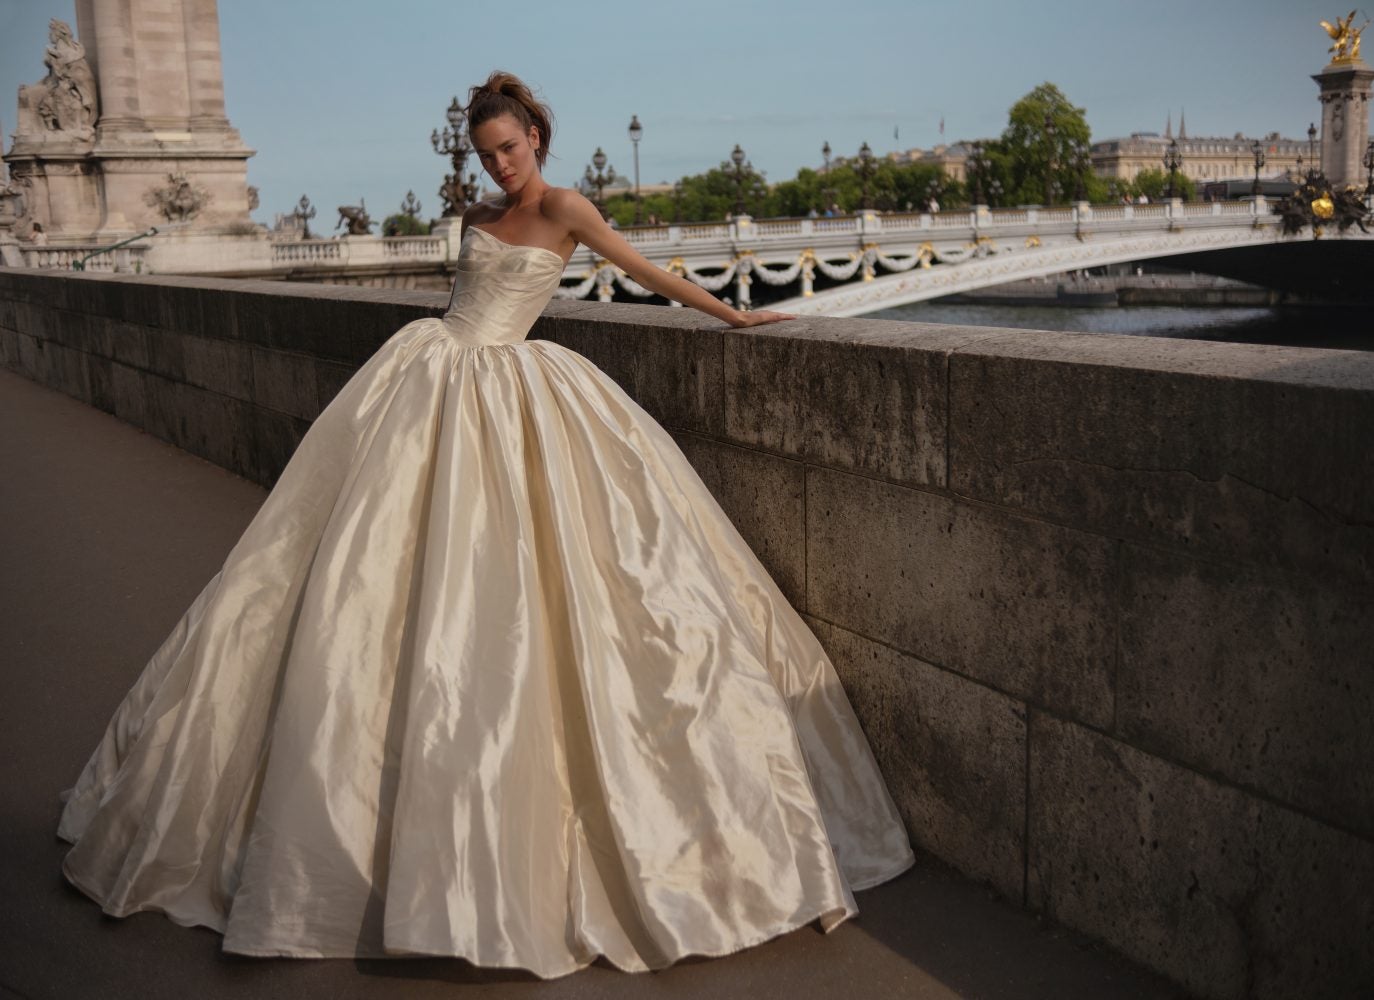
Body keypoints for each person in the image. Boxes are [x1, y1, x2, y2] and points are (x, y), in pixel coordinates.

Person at [54, 70, 915, 979]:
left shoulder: (567, 208)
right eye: (487, 153)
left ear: (537, 136)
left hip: (512, 387)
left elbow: (646, 272)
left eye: (510, 148)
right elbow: (456, 307)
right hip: (431, 379)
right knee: (361, 577)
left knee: (528, 595)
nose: (501, 165)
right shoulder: (474, 220)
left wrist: (733, 313)